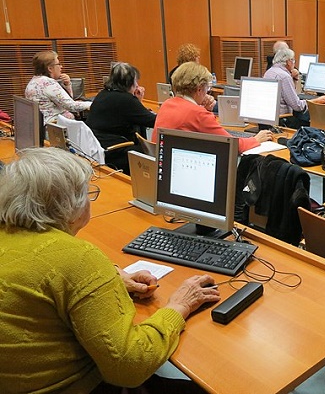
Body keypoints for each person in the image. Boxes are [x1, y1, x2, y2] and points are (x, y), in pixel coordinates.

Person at [0, 147, 221, 393]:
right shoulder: (78, 258)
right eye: (87, 193)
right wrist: (179, 305)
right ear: (71, 207)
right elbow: (128, 367)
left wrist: (110, 277)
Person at [152, 62, 272, 151]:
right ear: (199, 89)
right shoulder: (198, 114)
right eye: (207, 88)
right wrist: (256, 139)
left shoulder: (167, 104)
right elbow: (232, 144)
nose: (207, 92)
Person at [86, 62, 157, 174]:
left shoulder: (103, 94)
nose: (137, 85)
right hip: (115, 151)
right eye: (136, 81)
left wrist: (137, 102)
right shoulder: (126, 100)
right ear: (130, 83)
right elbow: (153, 121)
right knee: (154, 155)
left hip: (97, 146)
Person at [263, 48, 325, 129]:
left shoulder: (270, 71)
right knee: (312, 126)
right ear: (288, 61)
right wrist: (315, 101)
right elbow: (297, 106)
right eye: (293, 60)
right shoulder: (284, 76)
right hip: (282, 120)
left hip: (269, 118)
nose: (294, 63)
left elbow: (289, 94)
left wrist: (295, 78)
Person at [24, 50, 92, 124]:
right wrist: (93, 104)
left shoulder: (33, 81)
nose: (61, 67)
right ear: (50, 68)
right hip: (57, 128)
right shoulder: (48, 83)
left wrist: (67, 84)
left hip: (44, 126)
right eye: (58, 64)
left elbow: (65, 101)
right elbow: (71, 106)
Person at [168, 44, 216, 112]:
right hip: (194, 103)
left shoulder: (166, 106)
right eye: (197, 57)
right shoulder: (191, 75)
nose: (198, 59)